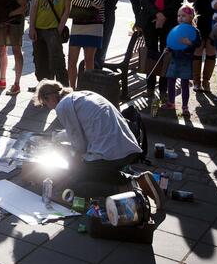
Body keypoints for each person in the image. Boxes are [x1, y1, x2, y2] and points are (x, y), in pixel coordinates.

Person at [33, 81, 164, 208]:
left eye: (45, 104)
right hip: (128, 148)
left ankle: (126, 188)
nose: (49, 108)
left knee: (78, 183)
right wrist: (56, 137)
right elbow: (82, 129)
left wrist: (74, 161)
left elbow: (80, 145)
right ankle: (138, 180)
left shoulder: (63, 106)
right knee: (95, 171)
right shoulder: (81, 95)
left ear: (49, 97)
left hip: (111, 153)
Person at [138, 0, 184, 109]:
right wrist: (157, 14)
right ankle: (150, 88)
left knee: (166, 54)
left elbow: (178, 0)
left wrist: (163, 15)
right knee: (151, 53)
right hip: (150, 19)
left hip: (169, 21)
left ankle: (163, 89)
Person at [28, 0, 73, 89]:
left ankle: (64, 91)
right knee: (40, 61)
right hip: (38, 28)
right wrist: (31, 27)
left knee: (57, 62)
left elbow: (67, 9)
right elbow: (34, 5)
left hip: (54, 29)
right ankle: (45, 90)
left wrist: (59, 28)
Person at [69, 0, 111, 89]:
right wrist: (91, 3)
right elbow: (74, 0)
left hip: (95, 25)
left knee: (89, 61)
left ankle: (87, 90)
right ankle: (72, 89)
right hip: (79, 23)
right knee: (71, 61)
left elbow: (100, 2)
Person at [185, 0, 217, 92]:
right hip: (200, 18)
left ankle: (206, 81)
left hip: (216, 19)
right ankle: (196, 81)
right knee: (198, 49)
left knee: (211, 49)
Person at [163, 6, 202, 116]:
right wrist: (168, 48)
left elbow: (198, 43)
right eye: (178, 16)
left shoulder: (195, 31)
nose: (180, 18)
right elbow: (172, 41)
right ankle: (171, 102)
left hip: (186, 61)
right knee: (170, 81)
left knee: (184, 84)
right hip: (174, 60)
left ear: (191, 17)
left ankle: (185, 106)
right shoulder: (176, 29)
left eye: (183, 16)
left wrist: (189, 43)